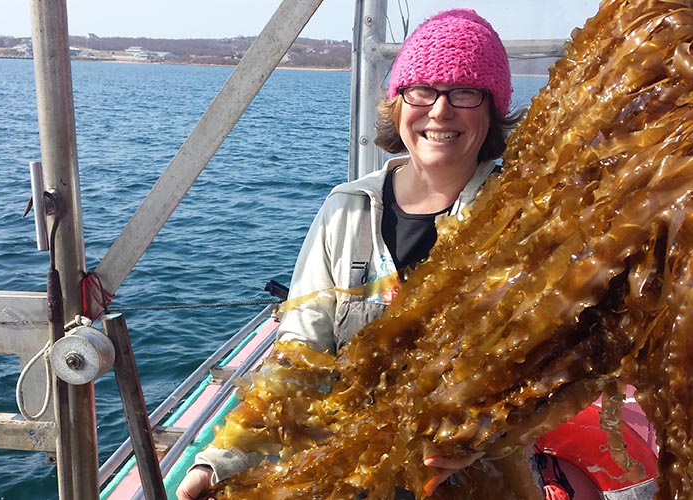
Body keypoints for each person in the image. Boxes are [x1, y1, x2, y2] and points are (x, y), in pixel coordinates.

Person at [177, 8, 520, 500]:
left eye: (464, 92)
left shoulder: (523, 214)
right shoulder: (349, 207)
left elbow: (553, 359)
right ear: (398, 104)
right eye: (422, 90)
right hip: (350, 469)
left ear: (491, 110)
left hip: (475, 478)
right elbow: (301, 353)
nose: (440, 111)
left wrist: (483, 431)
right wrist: (221, 462)